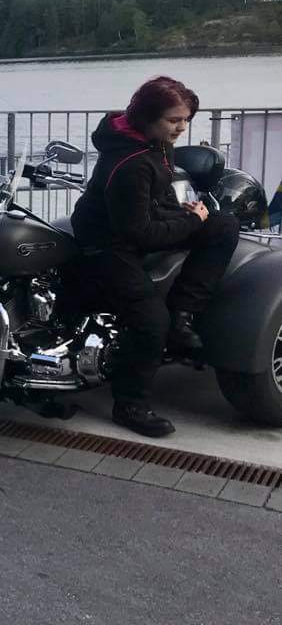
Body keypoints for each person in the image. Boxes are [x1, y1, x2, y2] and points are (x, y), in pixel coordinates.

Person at [70, 76, 239, 438]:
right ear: (147, 117)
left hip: (134, 224)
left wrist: (187, 215)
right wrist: (190, 221)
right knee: (150, 321)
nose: (181, 128)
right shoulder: (131, 162)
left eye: (186, 120)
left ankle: (184, 314)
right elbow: (139, 233)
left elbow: (155, 201)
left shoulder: (154, 143)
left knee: (223, 226)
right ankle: (130, 404)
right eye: (173, 120)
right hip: (108, 243)